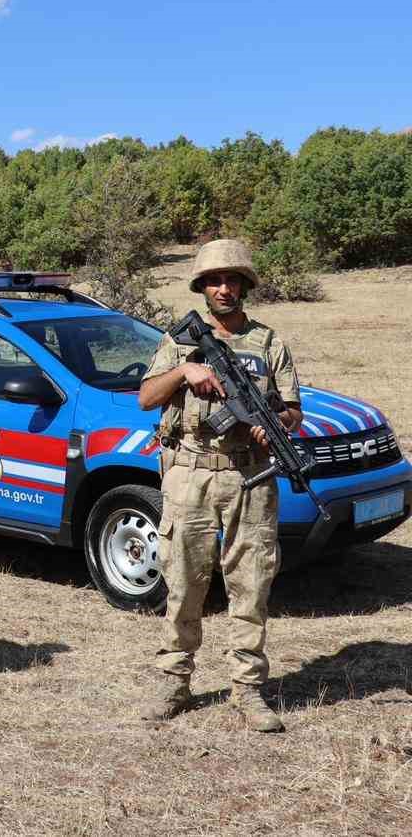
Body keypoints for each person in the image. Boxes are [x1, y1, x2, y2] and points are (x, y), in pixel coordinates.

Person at [137, 239, 301, 732]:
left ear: (245, 285)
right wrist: (184, 370)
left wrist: (275, 422)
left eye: (232, 280)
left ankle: (247, 689)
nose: (224, 289)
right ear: (202, 287)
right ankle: (174, 680)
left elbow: (293, 411)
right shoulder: (179, 341)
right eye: (214, 281)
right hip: (190, 473)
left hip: (251, 475)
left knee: (251, 583)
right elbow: (146, 397)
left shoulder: (268, 343)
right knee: (183, 581)